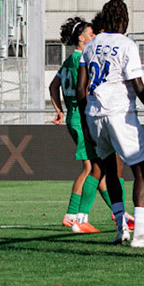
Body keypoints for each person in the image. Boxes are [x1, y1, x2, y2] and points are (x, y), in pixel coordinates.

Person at [76, 0, 144, 247]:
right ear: (123, 19)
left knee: (110, 170)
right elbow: (138, 86)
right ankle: (139, 235)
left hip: (94, 114)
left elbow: (80, 88)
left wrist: (85, 124)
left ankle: (121, 229)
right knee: (141, 170)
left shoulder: (91, 45)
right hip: (119, 113)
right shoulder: (126, 44)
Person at [49, 16, 105, 233]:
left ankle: (119, 213)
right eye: (91, 34)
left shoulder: (68, 60)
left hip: (74, 116)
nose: (94, 37)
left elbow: (53, 86)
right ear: (81, 38)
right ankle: (72, 215)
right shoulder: (81, 59)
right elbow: (87, 86)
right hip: (82, 117)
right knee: (90, 168)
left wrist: (59, 110)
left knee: (97, 169)